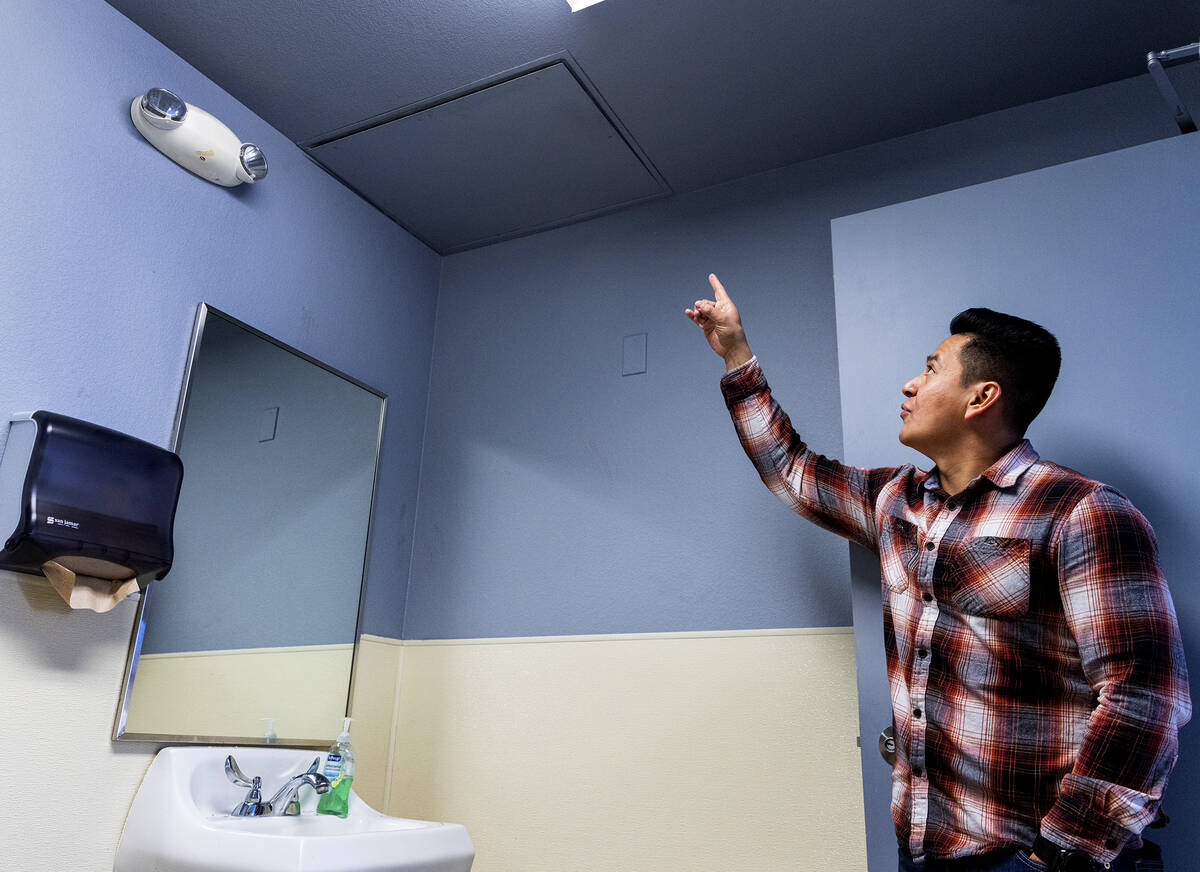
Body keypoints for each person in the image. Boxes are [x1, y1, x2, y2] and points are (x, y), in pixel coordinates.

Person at [685, 274, 1190, 872]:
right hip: (920, 849)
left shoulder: (1083, 512)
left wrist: (1061, 855)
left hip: (1031, 859)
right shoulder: (894, 501)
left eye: (930, 369)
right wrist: (736, 355)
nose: (910, 383)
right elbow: (791, 470)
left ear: (981, 399)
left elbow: (1143, 698)